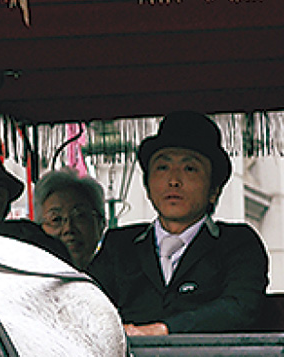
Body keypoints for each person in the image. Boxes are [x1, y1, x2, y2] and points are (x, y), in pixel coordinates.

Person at [88, 111, 269, 335]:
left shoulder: (237, 243)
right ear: (147, 186)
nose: (173, 181)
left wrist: (164, 330)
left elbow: (241, 307)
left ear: (214, 190)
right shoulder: (119, 245)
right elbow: (86, 302)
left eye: (189, 168)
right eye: (162, 168)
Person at [34, 168, 106, 270]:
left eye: (80, 216)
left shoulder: (117, 279)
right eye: (56, 219)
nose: (68, 229)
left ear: (101, 224)